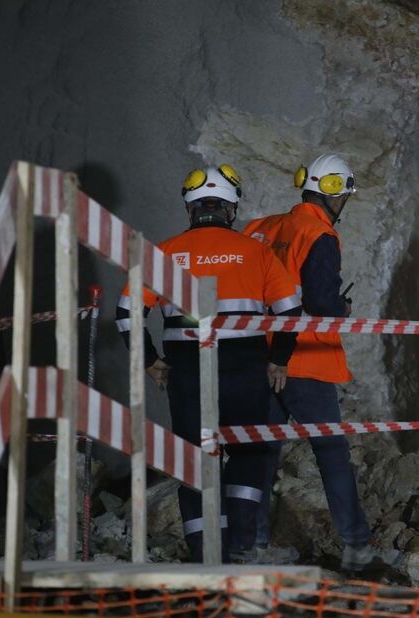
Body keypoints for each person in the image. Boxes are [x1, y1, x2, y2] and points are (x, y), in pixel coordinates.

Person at [116, 165, 302, 564]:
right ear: (232, 209)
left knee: (194, 457)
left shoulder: (161, 254)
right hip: (246, 368)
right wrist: (280, 361)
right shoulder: (258, 252)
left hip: (187, 370)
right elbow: (290, 312)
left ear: (190, 209)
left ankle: (204, 553)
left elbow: (124, 315)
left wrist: (149, 360)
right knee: (249, 453)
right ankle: (238, 543)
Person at [244, 153, 401, 571]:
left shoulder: (262, 227)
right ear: (333, 193)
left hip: (259, 354)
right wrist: (341, 307)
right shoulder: (319, 234)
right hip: (305, 358)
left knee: (260, 451)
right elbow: (319, 303)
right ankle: (356, 547)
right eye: (344, 196)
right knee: (332, 451)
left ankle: (254, 544)